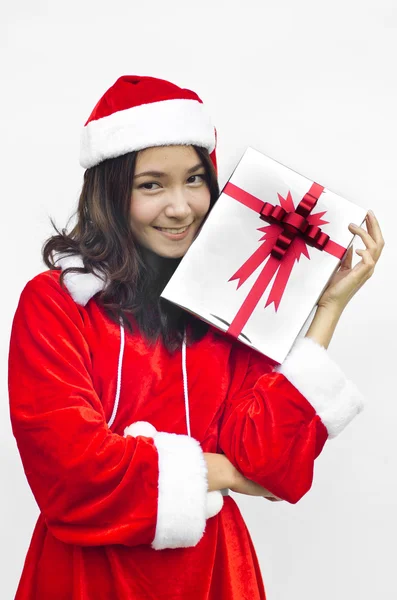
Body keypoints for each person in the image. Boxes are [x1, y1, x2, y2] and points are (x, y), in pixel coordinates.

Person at [8, 74, 385, 600]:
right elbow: (70, 474)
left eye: (194, 180)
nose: (181, 207)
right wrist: (221, 472)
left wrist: (328, 307)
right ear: (111, 194)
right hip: (85, 579)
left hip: (213, 577)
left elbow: (271, 464)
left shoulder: (224, 304)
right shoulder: (56, 303)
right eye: (151, 185)